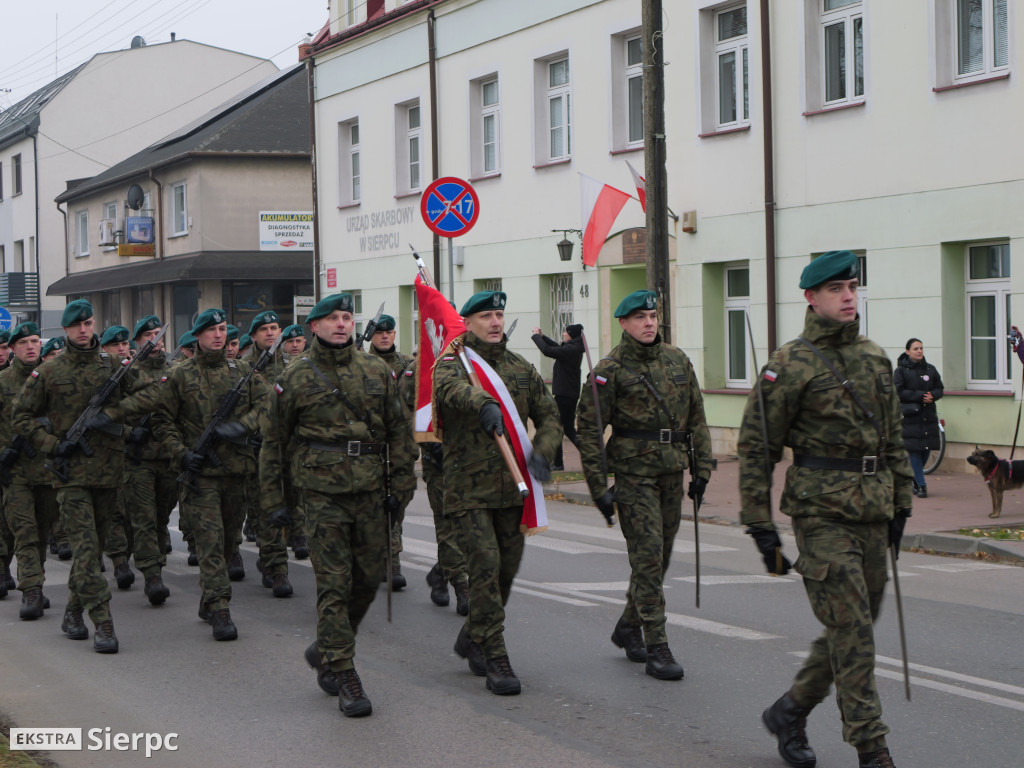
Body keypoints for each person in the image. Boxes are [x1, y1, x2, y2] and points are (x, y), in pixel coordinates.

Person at [737, 250, 913, 768]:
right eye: (836, 289)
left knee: (854, 623)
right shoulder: (789, 364)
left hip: (874, 510)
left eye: (852, 287)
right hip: (821, 514)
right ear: (811, 298)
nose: (848, 297)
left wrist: (901, 502)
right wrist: (759, 525)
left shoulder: (876, 357)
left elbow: (894, 436)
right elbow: (756, 447)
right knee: (854, 630)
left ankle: (791, 709)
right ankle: (871, 748)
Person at [260, 293, 416, 717]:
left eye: (347, 317)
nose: (342, 324)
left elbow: (400, 431)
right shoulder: (295, 377)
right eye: (332, 318)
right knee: (334, 583)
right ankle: (345, 672)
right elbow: (273, 443)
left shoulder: (375, 370)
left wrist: (401, 487)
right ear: (314, 326)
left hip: (369, 490)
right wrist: (274, 502)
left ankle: (328, 646)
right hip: (321, 493)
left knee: (366, 582)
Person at [575, 290, 712, 681]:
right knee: (648, 557)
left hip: (672, 471)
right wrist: (599, 486)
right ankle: (658, 646)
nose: (649, 323)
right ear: (623, 323)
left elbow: (697, 417)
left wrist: (702, 468)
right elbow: (589, 431)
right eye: (639, 317)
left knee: (661, 557)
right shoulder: (609, 370)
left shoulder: (677, 360)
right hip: (634, 476)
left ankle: (628, 625)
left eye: (652, 315)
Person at [433, 290, 561, 696]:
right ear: (467, 322)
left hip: (513, 487)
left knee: (506, 570)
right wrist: (481, 401)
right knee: (485, 566)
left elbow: (549, 414)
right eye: (486, 315)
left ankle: (473, 635)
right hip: (470, 489)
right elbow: (448, 392)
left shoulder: (521, 367)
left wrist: (543, 453)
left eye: (500, 314)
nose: (495, 322)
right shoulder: (453, 364)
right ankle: (496, 654)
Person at [119, 308, 271, 640]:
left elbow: (266, 406)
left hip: (236, 471)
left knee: (230, 540)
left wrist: (242, 426)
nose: (219, 335)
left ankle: (209, 597)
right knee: (210, 542)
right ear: (198, 337)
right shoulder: (180, 375)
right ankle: (219, 607)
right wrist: (180, 452)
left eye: (222, 329)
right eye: (211, 330)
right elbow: (162, 420)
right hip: (200, 474)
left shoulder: (243, 372)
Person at [12, 300, 153, 653]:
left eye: (88, 323)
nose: (83, 330)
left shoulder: (115, 365)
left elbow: (154, 393)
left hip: (109, 473)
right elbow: (21, 417)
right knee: (88, 553)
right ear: (65, 330)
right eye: (76, 325)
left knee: (95, 548)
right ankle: (103, 622)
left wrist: (113, 416)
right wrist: (51, 444)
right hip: (70, 476)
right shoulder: (48, 373)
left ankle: (72, 613)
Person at [0, 322, 60, 620]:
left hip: (48, 470)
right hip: (16, 472)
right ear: (13, 348)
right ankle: (32, 590)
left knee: (42, 531)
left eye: (35, 341)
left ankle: (36, 579)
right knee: (24, 531)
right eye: (23, 342)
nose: (31, 346)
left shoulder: (53, 379)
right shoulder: (3, 382)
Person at [367, 314, 415, 590]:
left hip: (400, 446)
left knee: (397, 502)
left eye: (389, 332)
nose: (385, 336)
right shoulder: (362, 365)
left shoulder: (408, 365)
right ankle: (389, 559)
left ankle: (390, 556)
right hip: (371, 446)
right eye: (379, 332)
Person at [893, 338, 943, 498]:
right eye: (916, 348)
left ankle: (914, 479)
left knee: (926, 450)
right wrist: (921, 396)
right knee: (914, 450)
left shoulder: (930, 369)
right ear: (908, 351)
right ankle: (921, 485)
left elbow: (939, 388)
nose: (920, 351)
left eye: (921, 348)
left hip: (928, 416)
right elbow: (898, 392)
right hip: (910, 416)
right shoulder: (900, 371)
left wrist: (933, 396)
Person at [531, 323, 584, 470]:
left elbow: (548, 351)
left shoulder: (571, 349)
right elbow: (556, 347)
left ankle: (558, 463)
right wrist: (543, 337)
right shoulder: (573, 347)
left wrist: (536, 336)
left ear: (571, 335)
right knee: (567, 428)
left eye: (565, 332)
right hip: (569, 394)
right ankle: (593, 456)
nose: (563, 334)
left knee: (557, 427)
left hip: (564, 394)